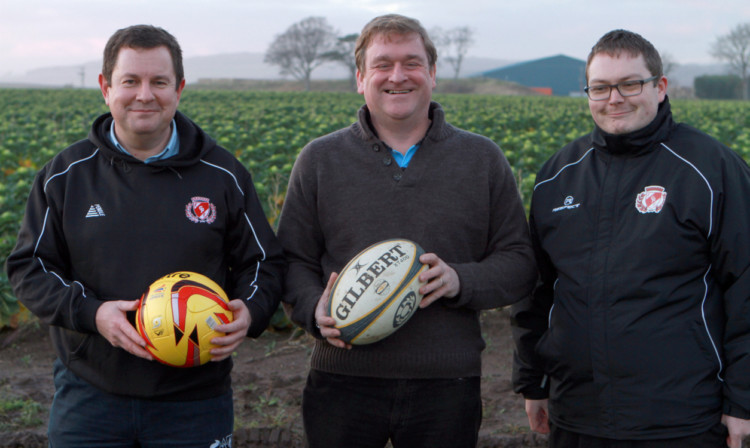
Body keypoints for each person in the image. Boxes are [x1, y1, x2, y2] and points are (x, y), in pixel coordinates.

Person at [5, 25, 285, 448]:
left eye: (159, 82)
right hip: (90, 394)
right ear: (105, 87)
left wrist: (251, 309)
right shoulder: (64, 176)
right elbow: (30, 267)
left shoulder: (223, 174)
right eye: (130, 81)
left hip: (195, 398)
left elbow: (263, 262)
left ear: (179, 88)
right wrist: (92, 314)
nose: (144, 95)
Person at [276, 13, 536, 448]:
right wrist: (312, 309)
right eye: (382, 64)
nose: (398, 76)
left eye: (412, 62)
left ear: (433, 74)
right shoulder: (320, 159)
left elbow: (520, 262)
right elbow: (292, 261)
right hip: (341, 380)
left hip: (447, 382)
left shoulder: (481, 159)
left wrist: (460, 280)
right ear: (360, 78)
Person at [512, 29, 750, 448]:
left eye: (630, 84)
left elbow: (746, 286)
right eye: (600, 87)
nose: (614, 98)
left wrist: (743, 400)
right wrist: (533, 381)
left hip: (681, 417)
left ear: (660, 87)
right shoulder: (558, 174)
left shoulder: (711, 169)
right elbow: (538, 290)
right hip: (577, 414)